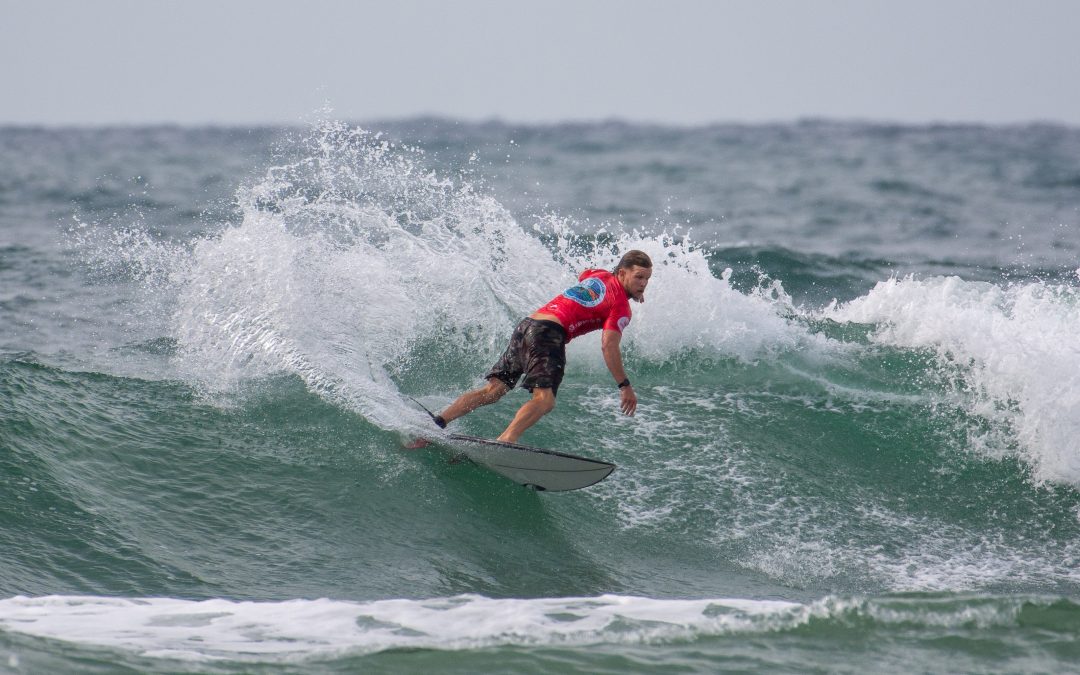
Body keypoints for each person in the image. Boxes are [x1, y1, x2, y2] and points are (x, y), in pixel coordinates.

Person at [431, 250, 653, 443]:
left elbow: (585, 273)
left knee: (494, 390)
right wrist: (624, 386)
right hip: (548, 334)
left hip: (527, 325)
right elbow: (608, 346)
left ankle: (439, 421)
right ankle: (507, 440)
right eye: (638, 277)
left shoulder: (600, 275)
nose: (643, 284)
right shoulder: (621, 308)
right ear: (622, 273)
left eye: (646, 279)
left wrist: (631, 291)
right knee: (544, 400)